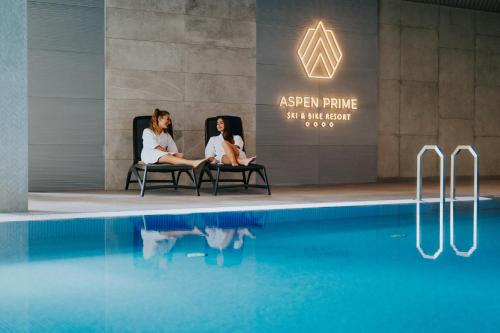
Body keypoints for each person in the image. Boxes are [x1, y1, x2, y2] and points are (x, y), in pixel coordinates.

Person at [141, 109, 205, 168]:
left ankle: (195, 163)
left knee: (180, 155)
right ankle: (192, 163)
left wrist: (176, 154)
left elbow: (174, 151)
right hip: (149, 155)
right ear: (160, 119)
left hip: (163, 156)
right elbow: (157, 148)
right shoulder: (147, 131)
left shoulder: (167, 135)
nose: (169, 122)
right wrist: (171, 154)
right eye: (168, 119)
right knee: (166, 155)